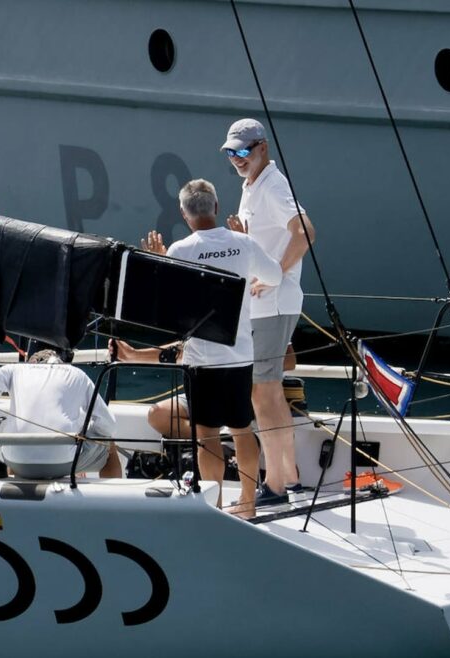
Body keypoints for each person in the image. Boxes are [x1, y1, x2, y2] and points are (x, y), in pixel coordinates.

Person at [118, 178, 281, 517]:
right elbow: (276, 277)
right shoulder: (244, 243)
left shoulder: (181, 251)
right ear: (216, 207)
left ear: (184, 213)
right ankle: (248, 503)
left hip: (201, 362)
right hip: (240, 357)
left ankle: (216, 508)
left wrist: (160, 263)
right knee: (242, 430)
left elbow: (166, 307)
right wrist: (250, 273)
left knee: (207, 435)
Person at [222, 118, 317, 505]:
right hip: (265, 305)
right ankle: (289, 478)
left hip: (272, 304)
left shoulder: (272, 186)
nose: (237, 158)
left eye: (243, 151)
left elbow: (305, 232)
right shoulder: (253, 186)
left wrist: (274, 273)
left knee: (263, 393)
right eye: (231, 152)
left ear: (262, 147)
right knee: (269, 391)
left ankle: (275, 485)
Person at [0, 348, 121, 480]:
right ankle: (113, 498)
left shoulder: (17, 369)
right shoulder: (77, 374)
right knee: (108, 444)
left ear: (31, 362)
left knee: (14, 442)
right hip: (64, 462)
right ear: (60, 363)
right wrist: (85, 436)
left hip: (17, 462)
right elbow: (109, 425)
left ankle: (17, 484)